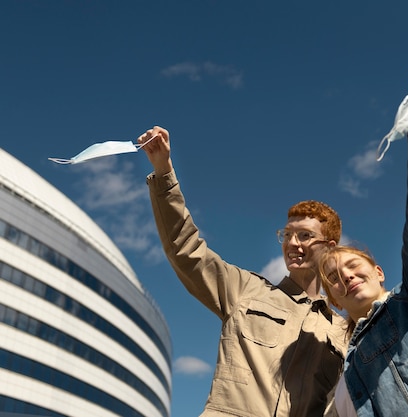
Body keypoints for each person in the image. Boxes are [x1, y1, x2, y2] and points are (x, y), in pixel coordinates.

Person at [137, 126, 347, 417]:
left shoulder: (344, 334)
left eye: (305, 236)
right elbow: (185, 250)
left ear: (330, 247)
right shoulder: (245, 290)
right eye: (287, 235)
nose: (292, 244)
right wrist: (164, 173)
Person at [319, 82, 408, 416]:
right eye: (333, 278)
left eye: (353, 265)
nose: (345, 275)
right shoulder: (345, 371)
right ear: (335, 301)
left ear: (378, 272)